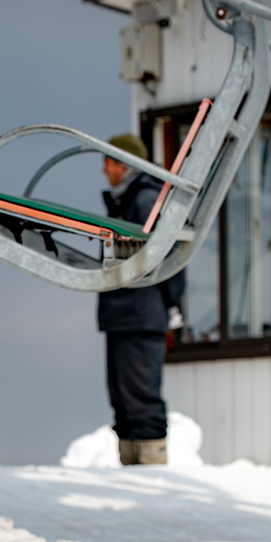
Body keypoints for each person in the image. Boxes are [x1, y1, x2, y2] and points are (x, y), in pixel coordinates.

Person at [99, 133, 186, 466]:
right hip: (124, 313)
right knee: (123, 397)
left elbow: (168, 256)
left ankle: (150, 473)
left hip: (140, 312)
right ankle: (132, 469)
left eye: (107, 162)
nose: (104, 170)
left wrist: (171, 302)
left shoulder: (145, 200)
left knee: (140, 397)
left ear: (123, 164)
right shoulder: (129, 200)